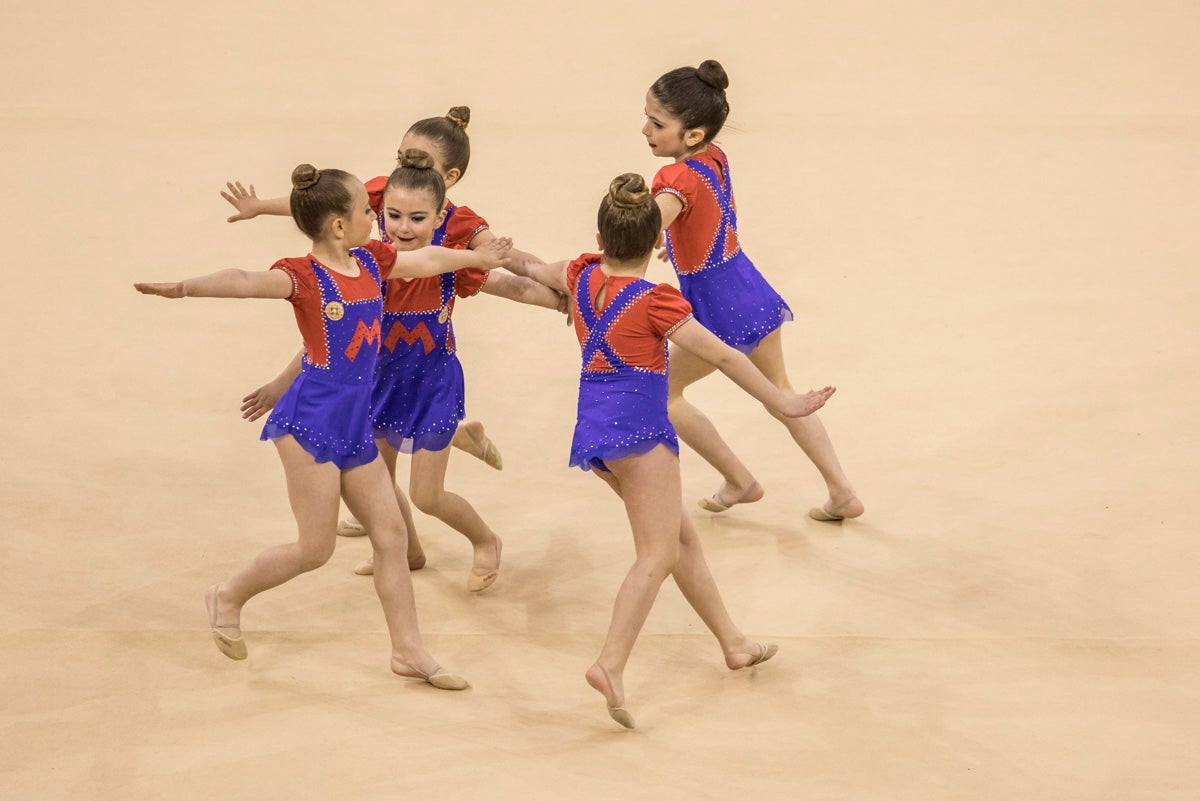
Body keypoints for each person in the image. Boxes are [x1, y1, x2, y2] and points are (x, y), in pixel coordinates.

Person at [135, 164, 511, 688]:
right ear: (338, 224)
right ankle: (226, 595)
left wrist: (477, 255)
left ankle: (408, 650)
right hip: (309, 426)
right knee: (315, 550)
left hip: (355, 427)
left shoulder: (374, 261)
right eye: (367, 210)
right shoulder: (304, 277)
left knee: (392, 534)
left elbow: (427, 258)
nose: (375, 217)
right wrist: (185, 288)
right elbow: (244, 282)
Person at [520, 173, 836, 728]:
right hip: (640, 433)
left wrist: (484, 254)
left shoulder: (581, 273)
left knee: (679, 537)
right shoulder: (655, 300)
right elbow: (726, 356)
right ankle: (610, 663)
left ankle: (733, 643)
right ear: (656, 242)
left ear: (602, 233)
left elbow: (529, 268)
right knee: (657, 554)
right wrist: (781, 402)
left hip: (595, 429)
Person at [225, 107, 562, 539]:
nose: (403, 169)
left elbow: (509, 271)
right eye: (400, 158)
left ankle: (444, 464)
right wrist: (259, 207)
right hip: (377, 364)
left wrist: (562, 294)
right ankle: (406, 534)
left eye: (416, 161)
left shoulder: (455, 230)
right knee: (373, 474)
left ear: (450, 178)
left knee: (420, 486)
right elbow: (320, 207)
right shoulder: (378, 217)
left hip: (427, 369)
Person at [643, 60, 864, 522]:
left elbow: (644, 231)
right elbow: (709, 215)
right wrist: (677, 240)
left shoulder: (672, 179)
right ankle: (842, 491)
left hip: (716, 308)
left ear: (693, 135)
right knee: (782, 394)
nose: (645, 128)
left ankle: (740, 480)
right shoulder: (715, 159)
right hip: (749, 287)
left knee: (661, 393)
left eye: (657, 123)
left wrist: (640, 242)